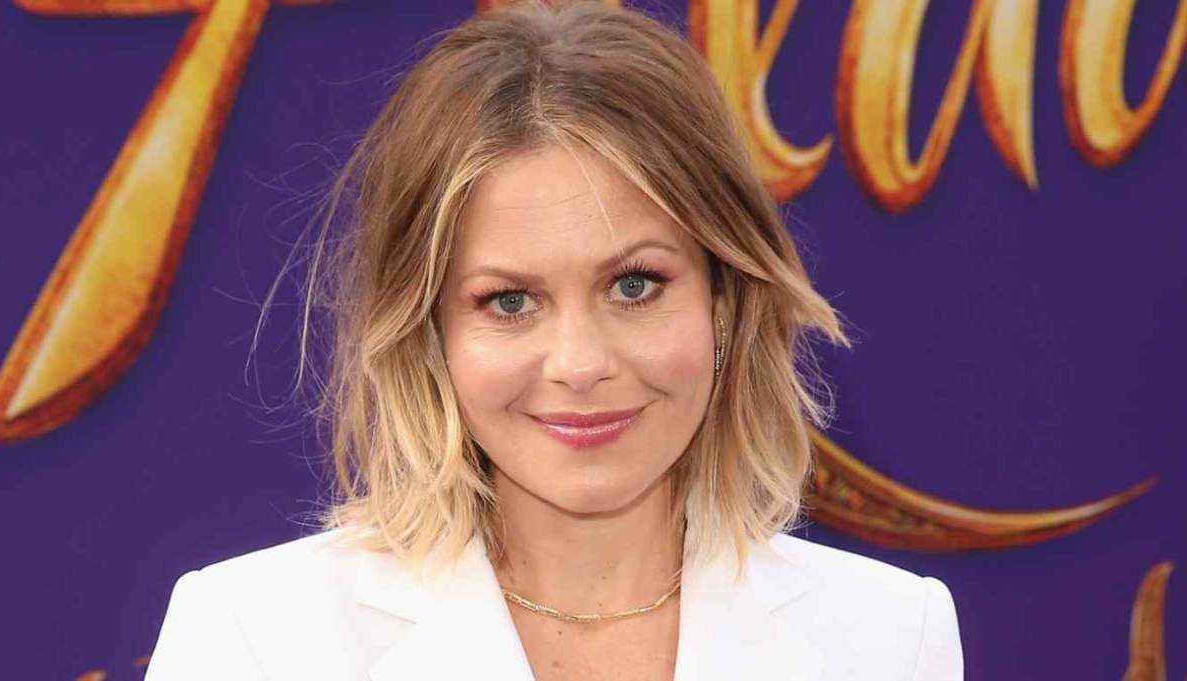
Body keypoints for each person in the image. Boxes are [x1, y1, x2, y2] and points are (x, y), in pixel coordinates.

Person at [144, 1, 964, 679]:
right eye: (508, 301)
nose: (579, 363)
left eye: (634, 285)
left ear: (726, 300)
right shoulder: (254, 639)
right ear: (428, 331)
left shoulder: (891, 639)